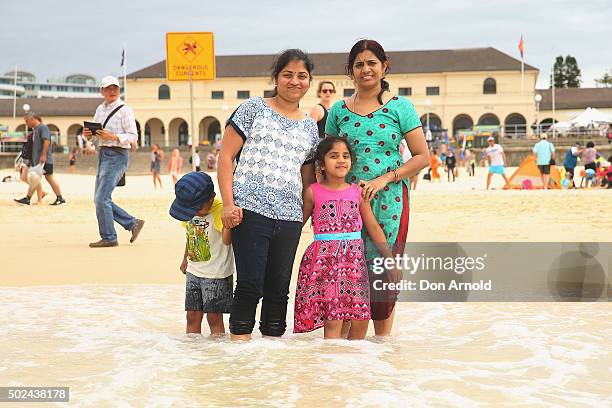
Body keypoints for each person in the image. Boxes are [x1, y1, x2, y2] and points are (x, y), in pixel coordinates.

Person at [325, 39, 429, 336]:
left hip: (391, 202)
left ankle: (382, 350)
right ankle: (345, 355)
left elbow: (423, 157)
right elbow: (327, 156)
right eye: (359, 64)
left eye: (372, 63)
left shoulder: (400, 107)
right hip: (346, 206)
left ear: (385, 67)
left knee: (382, 275)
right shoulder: (338, 111)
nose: (366, 69)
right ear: (350, 71)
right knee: (347, 277)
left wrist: (386, 178)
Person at [217, 49, 319, 340]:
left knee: (278, 290)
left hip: (289, 218)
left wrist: (304, 217)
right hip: (248, 211)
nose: (294, 81)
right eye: (288, 74)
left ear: (309, 82)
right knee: (249, 285)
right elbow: (225, 158)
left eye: (302, 76)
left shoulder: (310, 127)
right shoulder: (253, 109)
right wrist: (228, 204)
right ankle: (239, 356)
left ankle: (271, 369)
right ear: (276, 77)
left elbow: (307, 179)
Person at [294, 137, 396, 339]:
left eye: (345, 156)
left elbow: (373, 227)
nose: (341, 160)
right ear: (321, 165)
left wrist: (389, 259)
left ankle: (353, 369)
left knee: (360, 320)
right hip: (326, 265)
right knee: (333, 321)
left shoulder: (357, 192)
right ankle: (332, 366)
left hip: (353, 264)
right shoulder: (312, 192)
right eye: (334, 156)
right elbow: (297, 226)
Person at [170, 171, 235, 335]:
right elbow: (189, 234)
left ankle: (215, 352)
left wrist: (229, 224)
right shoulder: (189, 210)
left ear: (212, 197)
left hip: (216, 273)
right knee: (192, 316)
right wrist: (185, 258)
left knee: (214, 317)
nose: (196, 212)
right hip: (194, 270)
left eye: (198, 207)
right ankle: (194, 352)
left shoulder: (219, 210)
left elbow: (227, 241)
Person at [83, 75, 144, 248]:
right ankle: (133, 224)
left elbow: (133, 136)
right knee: (100, 199)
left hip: (118, 155)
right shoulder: (100, 109)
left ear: (119, 90)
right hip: (104, 154)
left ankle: (109, 237)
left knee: (102, 198)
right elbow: (95, 136)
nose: (112, 91)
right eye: (108, 88)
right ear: (102, 91)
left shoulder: (125, 110)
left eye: (115, 88)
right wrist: (89, 135)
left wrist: (114, 137)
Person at [14, 113, 65, 205]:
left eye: (27, 121)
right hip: (38, 160)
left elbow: (47, 141)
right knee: (35, 178)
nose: (26, 123)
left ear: (32, 119)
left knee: (47, 177)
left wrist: (43, 155)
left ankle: (60, 198)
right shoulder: (36, 130)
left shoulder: (42, 128)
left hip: (44, 159)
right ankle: (28, 199)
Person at [13, 129, 46, 204]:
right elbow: (26, 148)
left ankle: (39, 198)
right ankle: (41, 192)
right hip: (26, 157)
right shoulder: (30, 135)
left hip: (32, 159)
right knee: (23, 178)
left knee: (33, 178)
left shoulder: (38, 135)